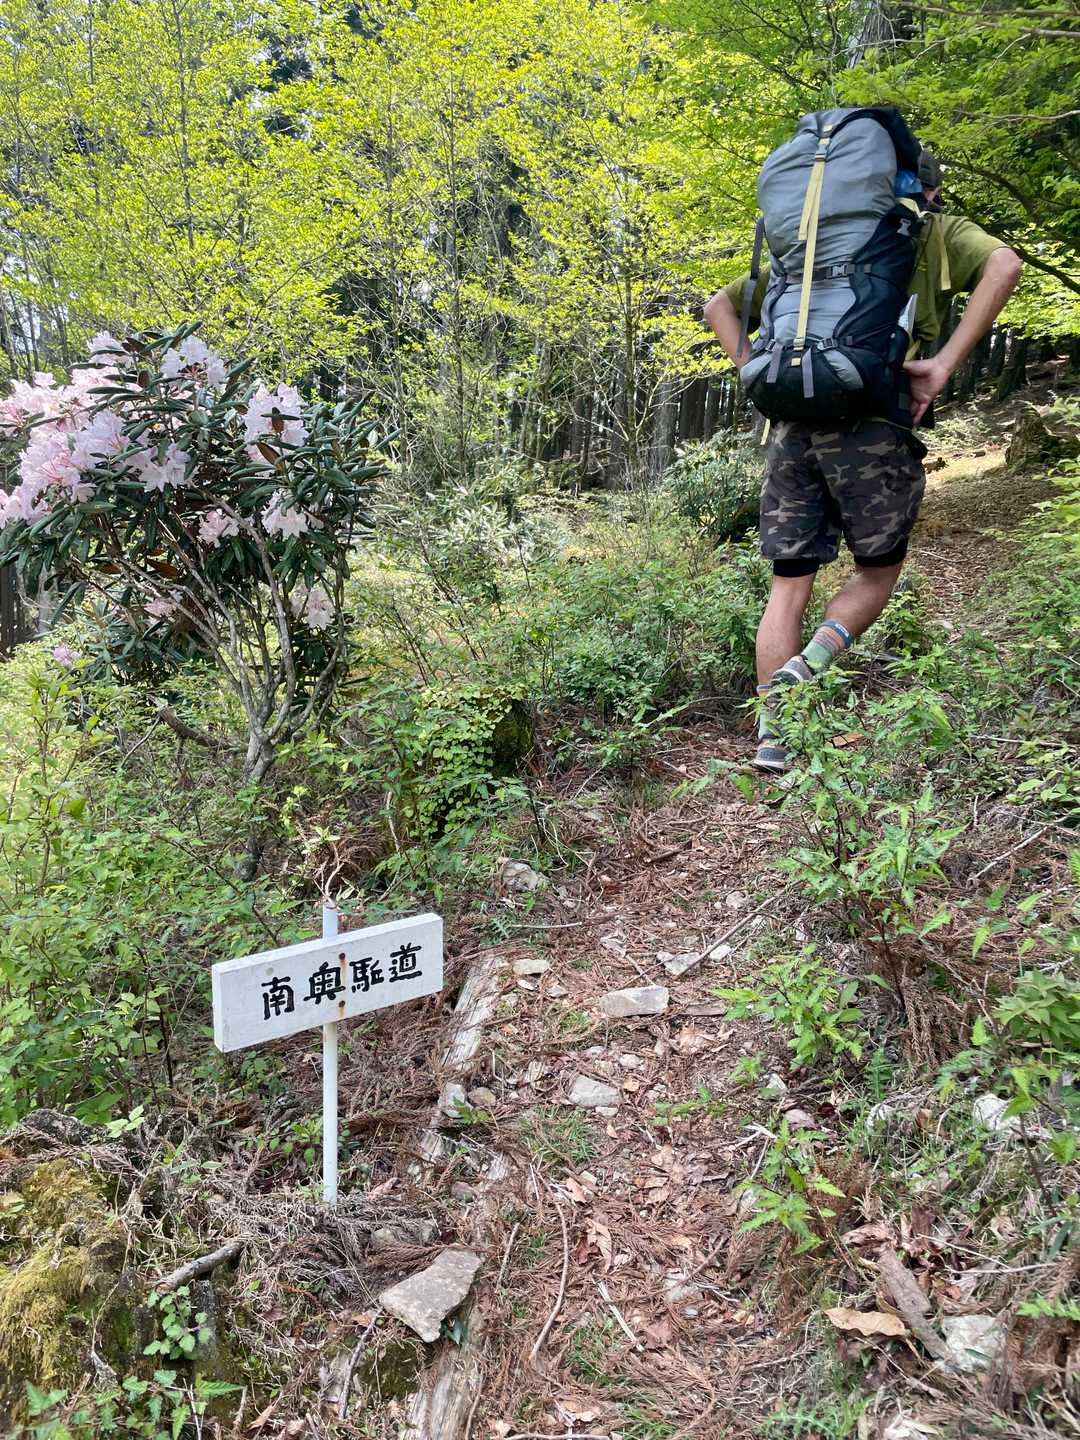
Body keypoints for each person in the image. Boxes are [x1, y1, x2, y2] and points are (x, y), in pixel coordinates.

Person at [703, 149, 1022, 772]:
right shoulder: (933, 230)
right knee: (876, 573)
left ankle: (774, 739)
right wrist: (943, 364)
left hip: (792, 429)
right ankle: (811, 663)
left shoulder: (810, 246)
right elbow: (1004, 265)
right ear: (930, 192)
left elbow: (720, 305)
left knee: (788, 586)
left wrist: (758, 373)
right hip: (874, 423)